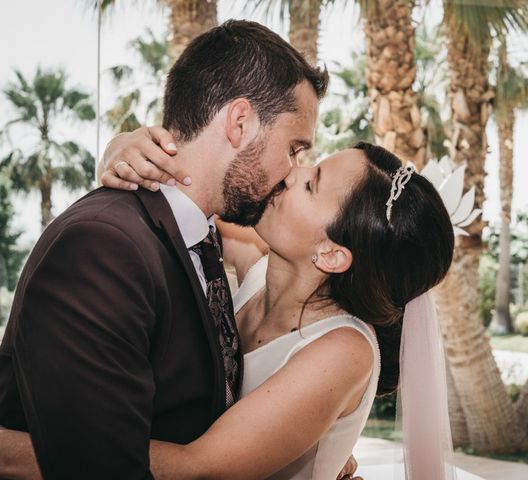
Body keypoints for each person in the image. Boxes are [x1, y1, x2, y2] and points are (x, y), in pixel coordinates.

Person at [0, 139, 456, 479]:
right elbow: (195, 194)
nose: (293, 170)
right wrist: (123, 147)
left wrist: (8, 451)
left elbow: (200, 470)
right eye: (309, 162)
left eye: (312, 184)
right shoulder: (257, 266)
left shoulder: (343, 351)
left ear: (331, 253)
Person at [0, 19, 330, 479]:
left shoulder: (204, 236)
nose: (293, 170)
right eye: (294, 148)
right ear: (239, 122)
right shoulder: (104, 247)